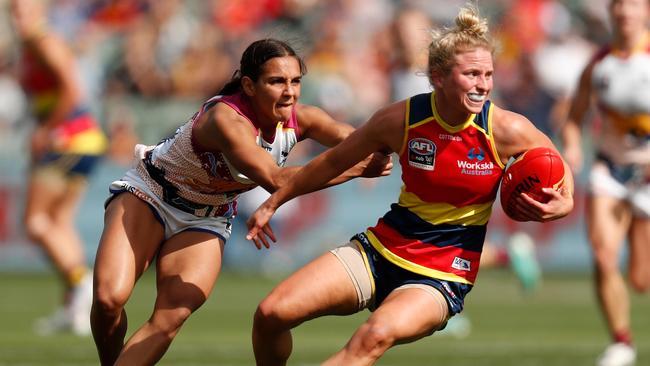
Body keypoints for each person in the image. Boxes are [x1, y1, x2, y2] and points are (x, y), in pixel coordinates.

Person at [246, 5, 574, 365]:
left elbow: (556, 164)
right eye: (471, 74)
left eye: (488, 74)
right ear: (438, 77)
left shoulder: (507, 129)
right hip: (382, 248)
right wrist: (274, 200)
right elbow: (333, 161)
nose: (483, 85)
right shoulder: (401, 119)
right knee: (270, 314)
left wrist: (565, 202)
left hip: (443, 271)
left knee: (372, 337)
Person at [90, 38, 391, 365]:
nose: (289, 91)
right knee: (109, 299)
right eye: (276, 81)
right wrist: (359, 168)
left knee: (170, 318)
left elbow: (367, 138)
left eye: (295, 81)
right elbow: (276, 180)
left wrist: (397, 145)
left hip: (208, 215)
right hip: (151, 193)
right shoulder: (226, 120)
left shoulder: (304, 118)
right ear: (249, 85)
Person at [560, 1, 650, 365]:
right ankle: (621, 342)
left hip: (647, 178)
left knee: (641, 280)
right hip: (610, 170)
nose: (625, 13)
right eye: (619, 5)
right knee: (602, 253)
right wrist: (572, 148)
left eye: (632, 5)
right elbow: (574, 115)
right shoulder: (599, 63)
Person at [10, 0, 107, 336]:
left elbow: (71, 89)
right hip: (83, 141)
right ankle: (74, 307)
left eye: (23, 10)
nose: (17, 17)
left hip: (67, 140)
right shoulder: (30, 45)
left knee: (35, 222)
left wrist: (45, 130)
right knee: (60, 222)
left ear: (40, 12)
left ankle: (81, 282)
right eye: (13, 11)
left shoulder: (44, 42)